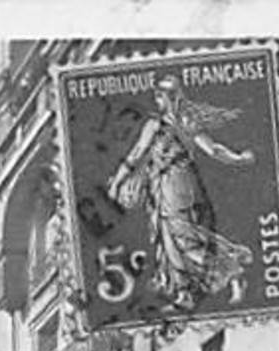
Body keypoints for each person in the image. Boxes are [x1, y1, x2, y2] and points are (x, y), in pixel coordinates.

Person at [104, 74, 257, 312]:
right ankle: (186, 292)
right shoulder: (182, 122)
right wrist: (238, 158)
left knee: (181, 236)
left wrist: (116, 185)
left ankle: (231, 270)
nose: (164, 100)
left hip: (172, 183)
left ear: (165, 97)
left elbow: (136, 156)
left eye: (165, 96)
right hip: (177, 183)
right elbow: (213, 150)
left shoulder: (162, 124)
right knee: (175, 236)